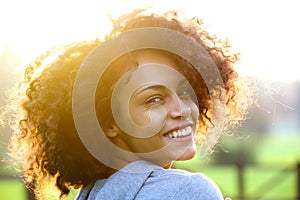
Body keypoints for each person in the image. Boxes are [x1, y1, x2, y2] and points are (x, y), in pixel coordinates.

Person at [3, 8, 251, 200]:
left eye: (185, 91)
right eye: (153, 99)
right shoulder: (189, 190)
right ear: (109, 123)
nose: (182, 109)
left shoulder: (92, 193)